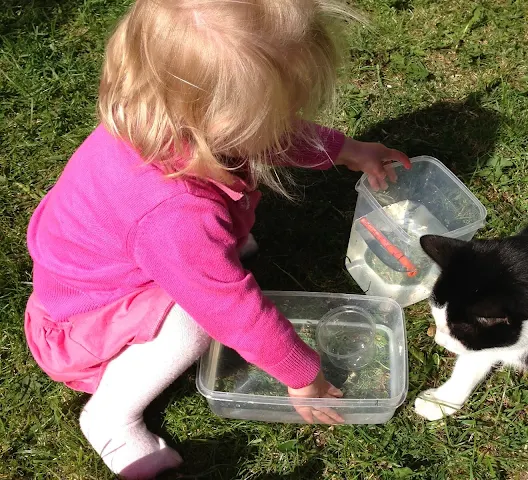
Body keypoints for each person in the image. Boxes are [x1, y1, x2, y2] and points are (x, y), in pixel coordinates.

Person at [24, 0, 410, 478]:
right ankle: (109, 416)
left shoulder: (164, 112)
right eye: (279, 114)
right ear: (223, 124)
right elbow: (233, 311)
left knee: (203, 268)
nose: (287, 122)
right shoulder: (174, 213)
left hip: (113, 266)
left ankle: (194, 270)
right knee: (197, 315)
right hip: (85, 323)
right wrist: (302, 375)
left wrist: (346, 149)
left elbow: (272, 136)